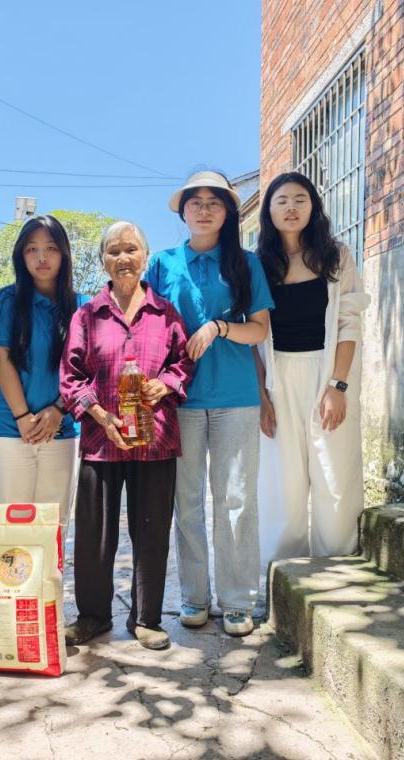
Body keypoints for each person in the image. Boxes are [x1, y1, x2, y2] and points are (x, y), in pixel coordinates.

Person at [146, 170, 273, 637]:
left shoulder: (246, 264)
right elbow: (145, 326)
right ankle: (194, 596)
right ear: (182, 211)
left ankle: (238, 600)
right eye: (195, 202)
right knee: (187, 501)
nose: (204, 210)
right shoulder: (162, 264)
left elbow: (259, 330)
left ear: (228, 212)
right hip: (178, 400)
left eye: (213, 202)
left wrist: (219, 327)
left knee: (236, 499)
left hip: (235, 397)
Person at [60, 221, 194, 651]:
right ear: (103, 260)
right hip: (102, 440)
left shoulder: (166, 313)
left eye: (131, 249)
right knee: (94, 534)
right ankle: (93, 616)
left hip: (155, 439)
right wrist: (100, 416)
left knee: (152, 530)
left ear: (145, 257)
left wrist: (165, 385)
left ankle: (147, 619)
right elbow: (70, 377)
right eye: (114, 251)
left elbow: (183, 363)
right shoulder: (86, 316)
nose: (123, 258)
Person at [254, 172, 370, 562]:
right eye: (282, 200)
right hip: (277, 375)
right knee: (281, 481)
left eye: (300, 199)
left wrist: (338, 386)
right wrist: (261, 396)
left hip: (327, 371)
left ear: (313, 207)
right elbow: (253, 336)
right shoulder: (258, 265)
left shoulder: (336, 256)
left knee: (334, 475)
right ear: (269, 211)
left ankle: (338, 566)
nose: (291, 208)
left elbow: (349, 322)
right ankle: (281, 572)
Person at [0, 215, 89, 525]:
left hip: (61, 430)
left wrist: (59, 410)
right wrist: (23, 417)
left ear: (64, 254)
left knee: (52, 528)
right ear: (21, 256)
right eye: (32, 249)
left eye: (51, 248)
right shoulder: (7, 300)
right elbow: (2, 360)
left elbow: (87, 370)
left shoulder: (84, 307)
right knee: (8, 530)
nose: (42, 257)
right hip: (7, 429)